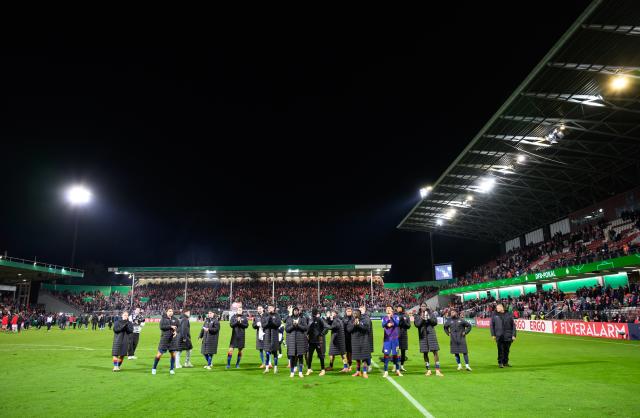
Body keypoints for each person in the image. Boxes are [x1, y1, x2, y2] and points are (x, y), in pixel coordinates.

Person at [414, 303, 443, 377]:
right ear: (420, 307)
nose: (423, 307)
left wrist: (429, 318)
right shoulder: (417, 315)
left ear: (426, 307)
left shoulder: (431, 313)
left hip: (431, 334)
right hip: (422, 335)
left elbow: (435, 322)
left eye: (424, 306)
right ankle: (428, 370)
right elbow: (417, 325)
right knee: (425, 352)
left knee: (435, 351)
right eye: (422, 306)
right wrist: (422, 319)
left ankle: (437, 370)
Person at [152, 308, 180, 375]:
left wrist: (176, 332)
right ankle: (154, 368)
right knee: (159, 355)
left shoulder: (175, 319)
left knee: (173, 355)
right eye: (169, 311)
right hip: (164, 339)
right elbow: (161, 327)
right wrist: (170, 326)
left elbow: (179, 327)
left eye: (172, 311)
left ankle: (171, 369)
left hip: (173, 340)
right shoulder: (163, 319)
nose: (171, 312)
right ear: (167, 312)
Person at [490, 303, 517, 368]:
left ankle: (505, 362)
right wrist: (493, 334)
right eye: (496, 308)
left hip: (508, 335)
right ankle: (500, 362)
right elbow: (492, 325)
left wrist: (514, 335)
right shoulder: (494, 315)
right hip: (499, 335)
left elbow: (513, 325)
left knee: (507, 350)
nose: (497, 309)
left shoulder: (509, 314)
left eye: (498, 308)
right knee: (500, 350)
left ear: (502, 308)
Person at [347, 308, 371, 378]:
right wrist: (354, 325)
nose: (354, 314)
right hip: (355, 341)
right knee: (357, 358)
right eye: (353, 313)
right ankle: (358, 371)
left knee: (364, 358)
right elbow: (348, 329)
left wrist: (359, 324)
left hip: (364, 340)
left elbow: (367, 329)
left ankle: (364, 372)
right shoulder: (351, 321)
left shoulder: (365, 320)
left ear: (359, 314)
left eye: (355, 313)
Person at [285, 306, 308, 378]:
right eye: (294, 310)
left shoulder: (302, 319)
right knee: (292, 357)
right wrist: (293, 325)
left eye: (297, 310)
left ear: (298, 311)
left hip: (300, 340)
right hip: (291, 340)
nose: (295, 311)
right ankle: (292, 372)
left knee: (300, 356)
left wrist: (298, 325)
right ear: (293, 311)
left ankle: (300, 372)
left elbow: (305, 328)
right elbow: (287, 329)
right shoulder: (289, 319)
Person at [306, 308, 328, 376]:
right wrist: (307, 334)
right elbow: (308, 329)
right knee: (310, 356)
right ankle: (309, 369)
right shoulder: (310, 320)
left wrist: (321, 334)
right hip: (311, 341)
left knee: (320, 355)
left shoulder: (319, 319)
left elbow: (326, 327)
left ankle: (323, 370)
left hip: (318, 341)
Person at [381, 305, 402, 377]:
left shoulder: (396, 317)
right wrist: (387, 322)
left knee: (395, 355)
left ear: (392, 310)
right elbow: (383, 325)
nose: (388, 310)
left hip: (395, 339)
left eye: (389, 308)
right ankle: (386, 371)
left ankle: (398, 370)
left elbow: (397, 324)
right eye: (387, 309)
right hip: (387, 340)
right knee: (386, 355)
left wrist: (391, 318)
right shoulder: (384, 318)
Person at [263, 305, 282, 374]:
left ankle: (275, 368)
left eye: (271, 308)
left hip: (274, 336)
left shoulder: (277, 315)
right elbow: (263, 325)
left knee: (275, 353)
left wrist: (272, 323)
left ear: (274, 308)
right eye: (268, 308)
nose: (269, 309)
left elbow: (278, 324)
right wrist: (268, 322)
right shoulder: (265, 315)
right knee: (267, 353)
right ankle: (267, 368)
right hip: (267, 335)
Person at [396, 305, 411, 372]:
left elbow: (409, 326)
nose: (398, 308)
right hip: (396, 335)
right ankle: (395, 366)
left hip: (404, 335)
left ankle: (402, 366)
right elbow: (394, 324)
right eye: (398, 307)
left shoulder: (406, 316)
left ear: (402, 308)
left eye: (399, 307)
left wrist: (404, 321)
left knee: (403, 351)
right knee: (396, 351)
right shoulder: (395, 315)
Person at [342, 307, 354, 371]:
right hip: (344, 338)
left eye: (350, 311)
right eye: (347, 311)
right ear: (346, 312)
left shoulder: (353, 318)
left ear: (351, 312)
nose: (349, 312)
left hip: (351, 338)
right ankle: (345, 366)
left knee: (349, 353)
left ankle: (350, 365)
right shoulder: (344, 319)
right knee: (343, 352)